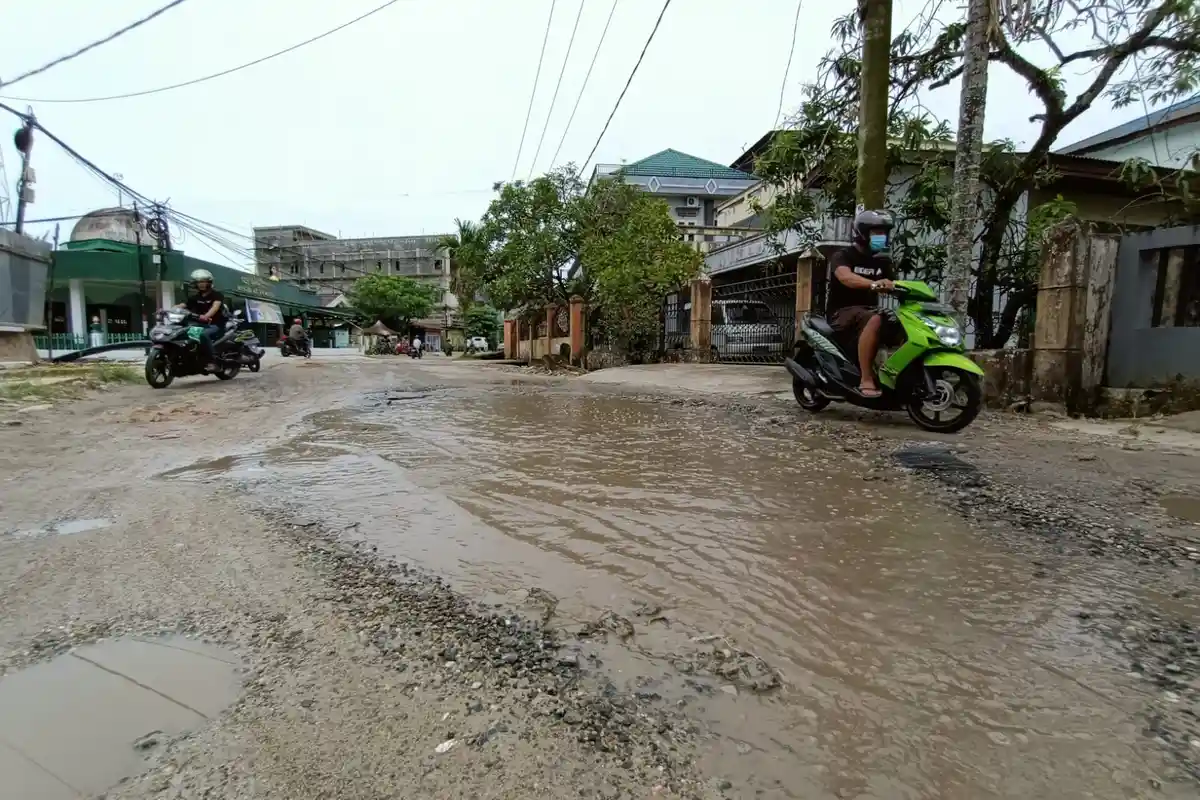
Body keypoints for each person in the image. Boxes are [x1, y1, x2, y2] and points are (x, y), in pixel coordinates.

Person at [826, 209, 896, 398]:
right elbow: (846, 278)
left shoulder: (882, 261)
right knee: (875, 319)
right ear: (863, 234)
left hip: (868, 311)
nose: (881, 237)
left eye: (884, 233)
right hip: (841, 313)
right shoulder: (843, 255)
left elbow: (896, 285)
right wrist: (874, 284)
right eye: (876, 232)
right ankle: (866, 378)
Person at [178, 268, 226, 371]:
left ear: (209, 282)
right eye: (199, 282)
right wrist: (168, 310)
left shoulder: (217, 295)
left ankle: (212, 362)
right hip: (199, 325)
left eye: (204, 281)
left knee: (202, 334)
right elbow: (183, 305)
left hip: (215, 325)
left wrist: (207, 316)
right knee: (182, 333)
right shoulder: (195, 297)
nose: (201, 284)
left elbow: (215, 307)